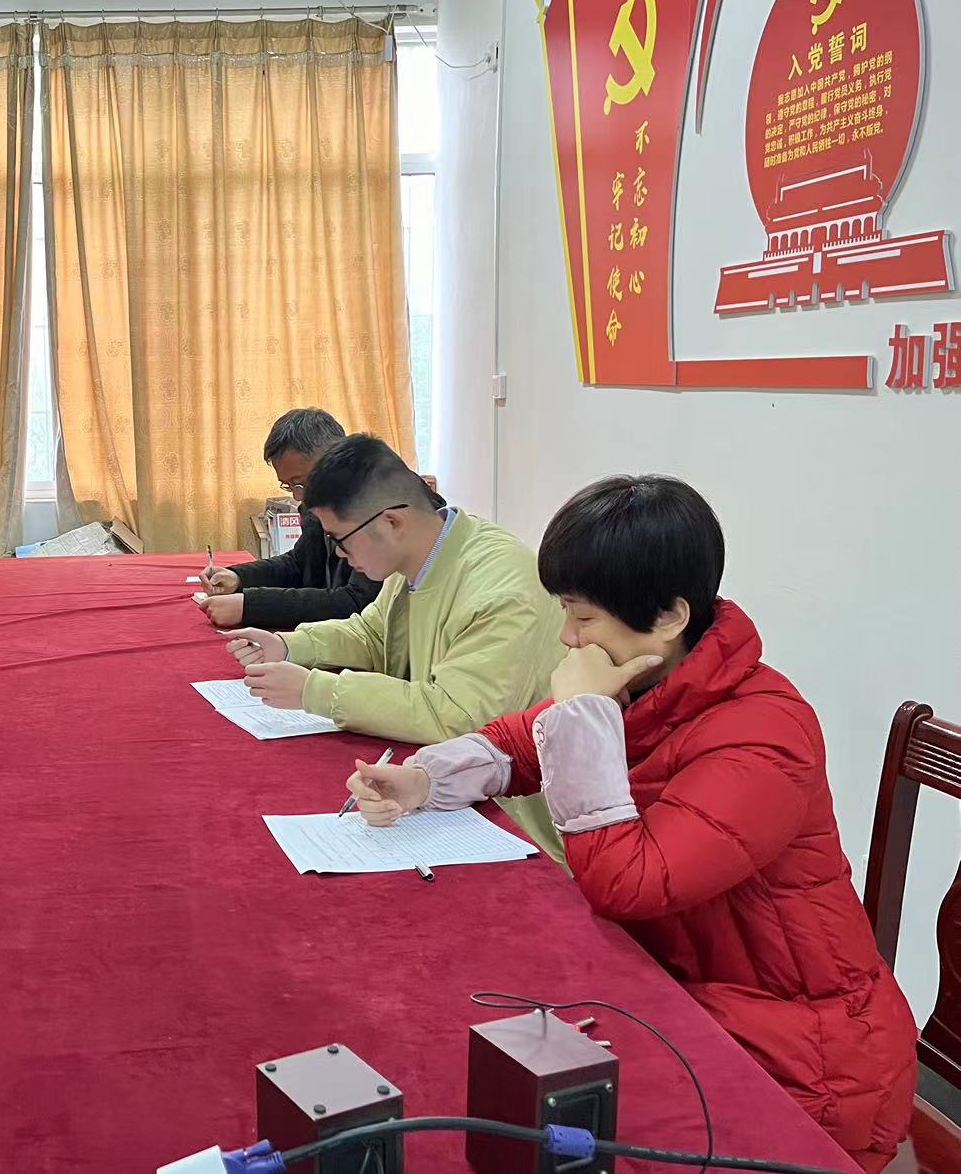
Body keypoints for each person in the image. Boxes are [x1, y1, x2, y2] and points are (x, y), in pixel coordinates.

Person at [342, 476, 916, 1170]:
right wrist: (423, 780)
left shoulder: (764, 734)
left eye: (582, 618)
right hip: (683, 991)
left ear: (669, 617)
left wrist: (581, 715)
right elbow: (520, 742)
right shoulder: (649, 682)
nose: (567, 637)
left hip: (805, 1061)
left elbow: (628, 884)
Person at [224, 433, 564, 858]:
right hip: (444, 780)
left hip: (517, 817)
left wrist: (316, 690)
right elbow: (373, 634)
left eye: (340, 540)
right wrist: (289, 645)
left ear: (390, 522)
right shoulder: (424, 555)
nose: (340, 555)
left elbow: (455, 716)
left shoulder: (500, 589)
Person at [196, 409, 383, 631]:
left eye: (300, 482)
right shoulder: (320, 499)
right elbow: (299, 563)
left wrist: (251, 606)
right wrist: (239, 577)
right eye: (289, 485)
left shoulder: (381, 506)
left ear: (336, 458)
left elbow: (357, 603)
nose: (298, 496)